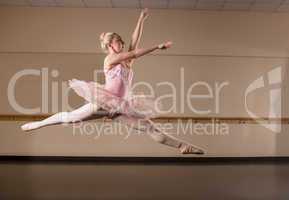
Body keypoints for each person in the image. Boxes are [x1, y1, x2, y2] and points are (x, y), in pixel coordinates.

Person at [21, 8, 205, 154]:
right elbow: (133, 52)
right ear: (110, 46)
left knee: (150, 127)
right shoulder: (109, 60)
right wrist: (158, 46)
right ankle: (39, 124)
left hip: (120, 107)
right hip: (104, 101)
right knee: (70, 118)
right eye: (118, 42)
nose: (122, 44)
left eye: (121, 42)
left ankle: (182, 147)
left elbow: (134, 44)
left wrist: (141, 19)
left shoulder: (127, 62)